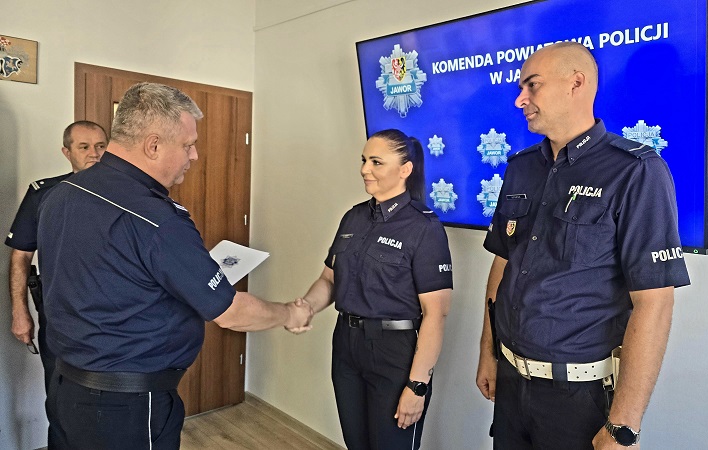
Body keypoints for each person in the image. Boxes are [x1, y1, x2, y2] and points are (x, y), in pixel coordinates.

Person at [36, 82, 314, 450]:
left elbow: (105, 274)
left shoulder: (61, 194)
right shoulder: (156, 219)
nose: (194, 155)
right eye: (187, 144)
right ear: (153, 145)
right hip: (126, 407)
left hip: (65, 388)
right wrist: (289, 313)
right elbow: (231, 313)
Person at [475, 42, 690, 449]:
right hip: (511, 383)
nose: (520, 99)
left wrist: (623, 425)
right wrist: (488, 352)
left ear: (576, 83)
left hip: (578, 399)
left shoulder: (635, 172)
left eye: (532, 85)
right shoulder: (521, 168)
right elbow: (503, 264)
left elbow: (654, 302)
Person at [291, 129, 453, 450]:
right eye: (364, 160)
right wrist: (306, 306)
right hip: (347, 346)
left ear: (405, 169)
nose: (365, 169)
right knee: (356, 443)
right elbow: (329, 281)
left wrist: (417, 386)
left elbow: (436, 313)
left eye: (376, 162)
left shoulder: (424, 227)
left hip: (394, 353)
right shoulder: (353, 218)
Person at [6, 120, 108, 396]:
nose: (94, 153)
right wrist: (19, 311)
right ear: (67, 152)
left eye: (100, 146)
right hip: (60, 317)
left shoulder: (127, 194)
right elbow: (21, 255)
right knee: (59, 394)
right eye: (84, 147)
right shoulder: (44, 194)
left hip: (114, 317)